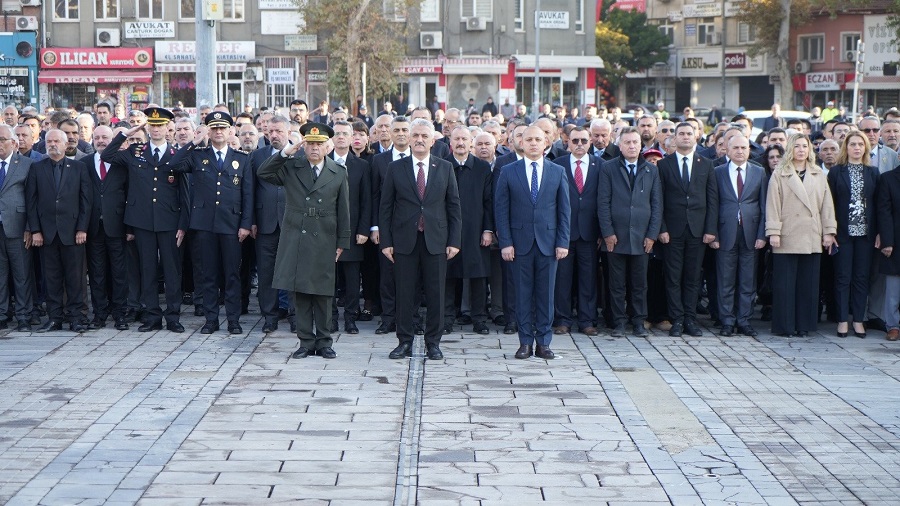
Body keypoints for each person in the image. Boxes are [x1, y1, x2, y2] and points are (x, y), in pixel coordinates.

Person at [258, 122, 352, 359]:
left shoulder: (338, 172)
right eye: (310, 143)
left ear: (327, 147)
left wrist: (342, 242)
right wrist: (285, 152)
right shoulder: (292, 166)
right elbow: (264, 173)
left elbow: (344, 210)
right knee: (299, 293)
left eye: (319, 144)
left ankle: (324, 341)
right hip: (296, 236)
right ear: (303, 145)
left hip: (325, 237)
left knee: (323, 292)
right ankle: (305, 342)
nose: (314, 148)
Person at [379, 118, 462, 361]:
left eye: (424, 136)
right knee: (405, 294)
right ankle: (404, 341)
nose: (418, 140)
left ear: (433, 140)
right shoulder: (396, 168)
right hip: (404, 240)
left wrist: (454, 240)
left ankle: (433, 343)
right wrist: (386, 241)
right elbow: (385, 208)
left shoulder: (444, 168)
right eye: (415, 135)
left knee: (436, 294)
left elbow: (454, 207)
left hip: (436, 240)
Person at [101, 107, 188, 333]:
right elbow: (106, 155)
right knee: (147, 270)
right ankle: (152, 316)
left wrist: (183, 224)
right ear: (147, 127)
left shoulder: (175, 154)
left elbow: (185, 193)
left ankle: (173, 316)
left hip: (169, 220)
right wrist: (127, 133)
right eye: (152, 125)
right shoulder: (135, 151)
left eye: (160, 125)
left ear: (168, 127)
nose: (156, 129)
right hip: (141, 221)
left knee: (171, 271)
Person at [168, 111, 254, 334]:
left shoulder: (241, 158)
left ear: (230, 131)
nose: (218, 132)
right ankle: (211, 320)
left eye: (222, 128)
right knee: (208, 275)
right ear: (208, 130)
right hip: (204, 224)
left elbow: (248, 194)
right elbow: (174, 164)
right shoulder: (198, 155)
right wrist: (195, 141)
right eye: (213, 128)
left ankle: (233, 320)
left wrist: (245, 224)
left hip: (231, 225)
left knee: (232, 275)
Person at [495, 125, 570, 359]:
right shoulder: (508, 171)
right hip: (519, 244)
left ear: (546, 142)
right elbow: (501, 209)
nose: (534, 143)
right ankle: (525, 341)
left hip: (549, 243)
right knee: (522, 294)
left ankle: (544, 342)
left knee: (546, 295)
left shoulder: (557, 171)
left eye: (538, 139)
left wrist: (563, 242)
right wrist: (505, 242)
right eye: (529, 140)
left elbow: (564, 210)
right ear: (521, 143)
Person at [766, 133, 837, 337]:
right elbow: (772, 204)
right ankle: (785, 326)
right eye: (796, 146)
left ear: (809, 150)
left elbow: (827, 206)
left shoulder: (818, 174)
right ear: (790, 149)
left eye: (804, 146)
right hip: (787, 234)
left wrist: (829, 232)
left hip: (811, 235)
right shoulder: (780, 173)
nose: (801, 150)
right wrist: (774, 232)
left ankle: (804, 325)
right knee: (785, 284)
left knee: (808, 284)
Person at [597, 127, 662, 337]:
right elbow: (603, 203)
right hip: (616, 237)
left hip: (642, 237)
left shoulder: (651, 170)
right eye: (627, 142)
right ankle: (618, 322)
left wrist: (652, 235)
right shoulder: (608, 168)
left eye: (635, 142)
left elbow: (656, 205)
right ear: (620, 145)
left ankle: (638, 322)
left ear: (641, 145)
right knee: (616, 284)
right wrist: (607, 232)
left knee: (639, 284)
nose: (632, 146)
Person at [656, 122, 718, 337]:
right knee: (673, 277)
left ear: (696, 137)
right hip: (672, 231)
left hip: (698, 231)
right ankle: (677, 320)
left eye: (688, 134)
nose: (684, 137)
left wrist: (711, 229)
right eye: (680, 133)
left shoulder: (706, 164)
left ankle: (690, 319)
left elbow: (712, 200)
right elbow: (659, 200)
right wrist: (661, 228)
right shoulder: (664, 165)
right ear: (674, 138)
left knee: (693, 277)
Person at [28, 129, 91, 332]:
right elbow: (32, 202)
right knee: (51, 278)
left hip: (73, 232)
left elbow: (86, 201)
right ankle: (55, 317)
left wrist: (82, 228)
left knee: (76, 278)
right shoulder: (37, 168)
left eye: (56, 141)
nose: (52, 144)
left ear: (66, 144)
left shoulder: (79, 168)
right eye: (49, 141)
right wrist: (35, 230)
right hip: (46, 233)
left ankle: (77, 318)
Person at [710, 134, 768, 337]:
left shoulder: (759, 172)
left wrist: (762, 234)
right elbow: (713, 205)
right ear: (726, 148)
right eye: (735, 147)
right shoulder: (717, 172)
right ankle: (727, 321)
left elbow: (763, 206)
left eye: (744, 147)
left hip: (751, 234)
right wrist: (713, 235)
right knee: (725, 280)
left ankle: (743, 320)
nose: (740, 151)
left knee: (747, 281)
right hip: (725, 233)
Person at [827, 132, 879, 338]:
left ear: (865, 148)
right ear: (845, 148)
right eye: (853, 144)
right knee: (842, 276)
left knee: (861, 277)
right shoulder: (836, 172)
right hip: (843, 233)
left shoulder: (873, 173)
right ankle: (842, 320)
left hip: (866, 233)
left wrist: (879, 233)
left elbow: (877, 205)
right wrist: (830, 231)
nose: (857, 148)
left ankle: (858, 319)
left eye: (860, 144)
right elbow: (829, 204)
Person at [443, 126, 493, 334]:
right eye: (457, 139)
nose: (461, 142)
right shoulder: (443, 166)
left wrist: (488, 230)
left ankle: (479, 318)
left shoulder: (482, 168)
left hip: (476, 229)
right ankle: (446, 318)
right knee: (447, 276)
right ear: (450, 143)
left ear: (470, 142)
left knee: (478, 276)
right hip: (447, 229)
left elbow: (489, 201)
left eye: (465, 138)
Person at [553, 126, 601, 336]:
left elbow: (604, 200)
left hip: (590, 233)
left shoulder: (601, 165)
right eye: (575, 141)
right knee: (562, 279)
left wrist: (602, 231)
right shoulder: (557, 165)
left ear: (590, 142)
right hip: (564, 232)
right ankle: (562, 319)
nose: (579, 145)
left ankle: (587, 320)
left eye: (583, 141)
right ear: (567, 142)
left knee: (588, 278)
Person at [84, 125, 129, 331]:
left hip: (117, 226)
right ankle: (100, 314)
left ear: (113, 140)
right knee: (97, 273)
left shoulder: (121, 164)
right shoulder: (83, 163)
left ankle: (120, 314)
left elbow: (130, 196)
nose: (101, 141)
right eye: (97, 137)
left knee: (119, 272)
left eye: (105, 138)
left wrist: (130, 228)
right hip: (93, 227)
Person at [329, 120, 371, 334]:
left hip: (353, 231)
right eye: (337, 133)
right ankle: (332, 318)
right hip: (327, 232)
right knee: (330, 278)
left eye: (345, 133)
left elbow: (366, 201)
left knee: (353, 279)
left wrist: (364, 230)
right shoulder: (323, 162)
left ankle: (351, 318)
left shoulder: (362, 166)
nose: (341, 137)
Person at [0, 124, 34, 332]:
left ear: (13, 143)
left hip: (18, 227)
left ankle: (24, 315)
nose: (0, 144)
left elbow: (32, 199)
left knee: (22, 274)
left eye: (3, 139)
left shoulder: (26, 164)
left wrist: (31, 228)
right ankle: (2, 314)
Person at [876, 159, 900, 341]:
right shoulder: (888, 179)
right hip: (896, 240)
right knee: (893, 288)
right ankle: (893, 325)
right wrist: (887, 242)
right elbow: (884, 211)